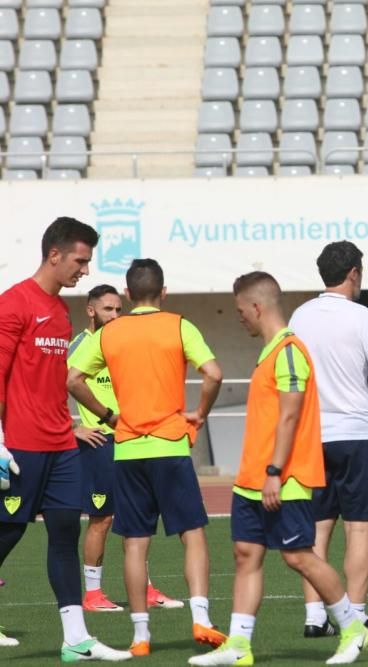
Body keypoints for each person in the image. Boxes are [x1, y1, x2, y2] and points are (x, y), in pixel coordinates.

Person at [190, 272, 368, 666]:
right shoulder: (271, 350)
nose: (239, 318)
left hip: (282, 478)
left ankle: (352, 628)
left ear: (257, 307)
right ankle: (239, 647)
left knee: (299, 556)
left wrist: (275, 470)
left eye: (241, 310)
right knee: (245, 554)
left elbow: (289, 417)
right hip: (251, 478)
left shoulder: (289, 350)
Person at [68, 258, 225, 657]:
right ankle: (202, 618)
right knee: (192, 534)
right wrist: (201, 413)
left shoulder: (110, 333)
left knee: (135, 543)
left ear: (126, 294)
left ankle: (140, 635)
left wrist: (107, 416)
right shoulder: (179, 324)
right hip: (170, 446)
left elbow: (72, 379)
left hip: (127, 449)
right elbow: (214, 373)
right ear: (164, 292)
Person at [0, 217, 131, 661]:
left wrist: (73, 425)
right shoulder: (14, 303)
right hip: (20, 446)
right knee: (9, 532)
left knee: (63, 535)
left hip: (61, 445)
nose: (85, 271)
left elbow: (54, 379)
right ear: (54, 255)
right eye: (80, 260)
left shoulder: (60, 311)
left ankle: (76, 639)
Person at [289, 241, 368, 640]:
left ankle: (314, 615)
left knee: (316, 529)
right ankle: (356, 615)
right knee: (358, 528)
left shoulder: (299, 316)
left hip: (311, 435)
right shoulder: (362, 316)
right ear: (354, 272)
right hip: (355, 434)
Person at [68, 284, 182, 613]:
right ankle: (92, 594)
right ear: (91, 310)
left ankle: (144, 588)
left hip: (131, 440)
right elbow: (52, 387)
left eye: (119, 309)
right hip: (100, 442)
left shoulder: (122, 340)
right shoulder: (80, 345)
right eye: (108, 309)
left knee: (137, 518)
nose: (116, 315)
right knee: (101, 519)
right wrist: (73, 426)